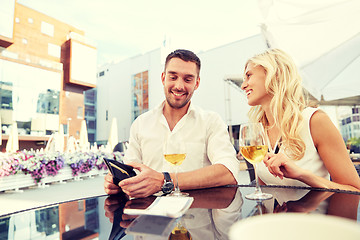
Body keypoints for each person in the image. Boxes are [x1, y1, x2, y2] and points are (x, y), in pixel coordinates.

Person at [104, 49, 239, 198]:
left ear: (197, 83)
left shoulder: (211, 121)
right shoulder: (140, 124)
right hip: (150, 215)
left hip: (196, 214)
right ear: (163, 78)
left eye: (188, 79)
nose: (179, 86)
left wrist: (165, 180)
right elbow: (130, 172)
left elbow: (229, 171)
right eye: (173, 77)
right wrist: (118, 183)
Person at [240, 48, 360, 192]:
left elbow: (354, 189)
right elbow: (265, 191)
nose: (243, 85)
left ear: (275, 75)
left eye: (249, 76)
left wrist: (302, 175)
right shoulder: (260, 130)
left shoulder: (315, 121)